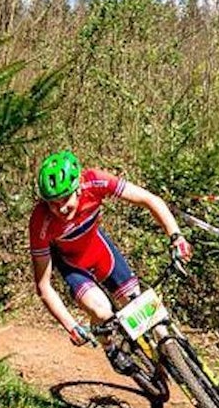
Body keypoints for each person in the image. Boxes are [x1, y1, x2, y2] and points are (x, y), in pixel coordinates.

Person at [28, 150, 192, 373]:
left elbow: (149, 200)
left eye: (65, 199)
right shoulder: (40, 222)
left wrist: (176, 236)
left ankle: (178, 358)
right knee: (102, 311)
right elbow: (43, 286)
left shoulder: (95, 181)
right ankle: (110, 348)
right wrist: (71, 326)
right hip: (72, 264)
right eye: (52, 203)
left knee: (140, 302)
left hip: (98, 248)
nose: (61, 208)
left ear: (78, 187)